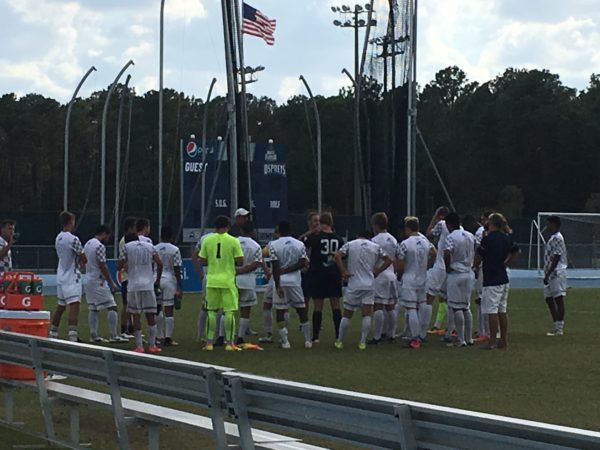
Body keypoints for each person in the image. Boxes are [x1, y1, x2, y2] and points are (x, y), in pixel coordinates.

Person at [334, 230, 392, 350]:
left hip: (354, 283)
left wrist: (343, 271)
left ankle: (339, 341)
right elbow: (388, 260)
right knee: (366, 314)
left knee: (347, 314)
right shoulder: (376, 246)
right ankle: (362, 341)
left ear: (357, 235)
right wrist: (377, 271)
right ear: (370, 237)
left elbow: (337, 255)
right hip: (369, 284)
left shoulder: (350, 244)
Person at [474, 213, 519, 350]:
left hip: (491, 278)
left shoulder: (487, 239)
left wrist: (475, 266)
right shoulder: (506, 238)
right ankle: (503, 339)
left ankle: (492, 341)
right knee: (502, 310)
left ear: (492, 223)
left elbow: (478, 257)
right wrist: (506, 263)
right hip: (503, 277)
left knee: (491, 310)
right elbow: (516, 251)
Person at [199, 216, 244, 351]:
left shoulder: (207, 240)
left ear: (215, 227)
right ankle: (229, 343)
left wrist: (213, 262)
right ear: (228, 226)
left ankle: (209, 343)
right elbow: (240, 260)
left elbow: (202, 260)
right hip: (228, 280)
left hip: (212, 280)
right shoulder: (233, 241)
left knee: (211, 312)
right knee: (229, 311)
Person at [117, 233, 163, 353]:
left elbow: (119, 265)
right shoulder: (149, 246)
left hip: (133, 286)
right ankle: (153, 345)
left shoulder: (126, 247)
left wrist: (126, 266)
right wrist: (157, 279)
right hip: (148, 284)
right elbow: (159, 263)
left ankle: (139, 346)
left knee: (135, 315)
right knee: (151, 315)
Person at [269, 220, 312, 349]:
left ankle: (285, 341)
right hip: (295, 281)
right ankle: (307, 340)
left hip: (281, 280)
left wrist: (277, 285)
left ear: (279, 230)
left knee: (280, 310)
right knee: (301, 309)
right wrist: (289, 270)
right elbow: (303, 262)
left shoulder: (273, 244)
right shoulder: (299, 244)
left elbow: (275, 266)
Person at [303, 212, 344, 344]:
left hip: (318, 274)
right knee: (336, 306)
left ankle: (315, 337)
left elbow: (301, 242)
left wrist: (311, 232)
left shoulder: (316, 237)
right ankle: (338, 335)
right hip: (333, 274)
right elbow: (342, 257)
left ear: (321, 223)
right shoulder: (338, 239)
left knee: (317, 306)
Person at [83, 225, 128, 343]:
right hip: (98, 281)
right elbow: (102, 265)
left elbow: (82, 260)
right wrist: (111, 282)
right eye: (107, 236)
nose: (107, 239)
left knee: (93, 308)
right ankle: (113, 335)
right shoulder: (99, 246)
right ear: (103, 234)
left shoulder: (88, 244)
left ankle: (93, 335)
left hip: (88, 279)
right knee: (112, 306)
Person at [396, 217, 436, 349]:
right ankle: (421, 334)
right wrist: (427, 265)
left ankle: (414, 338)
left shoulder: (405, 244)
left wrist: (400, 276)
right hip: (422, 277)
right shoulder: (426, 242)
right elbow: (434, 253)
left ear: (407, 228)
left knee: (411, 308)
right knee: (422, 305)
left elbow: (400, 264)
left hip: (409, 277)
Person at [50, 211, 87, 342]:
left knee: (60, 305)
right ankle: (72, 335)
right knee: (74, 305)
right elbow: (83, 256)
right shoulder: (73, 239)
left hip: (61, 274)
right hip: (72, 275)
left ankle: (53, 332)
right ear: (71, 222)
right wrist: (82, 261)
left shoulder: (58, 237)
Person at [443, 213, 476, 348]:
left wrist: (447, 266)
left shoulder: (451, 237)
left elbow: (446, 252)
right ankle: (469, 338)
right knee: (466, 306)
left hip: (456, 273)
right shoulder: (470, 235)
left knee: (456, 307)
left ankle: (460, 339)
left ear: (449, 224)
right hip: (468, 272)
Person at [368, 213, 399, 345]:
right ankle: (391, 334)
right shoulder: (393, 239)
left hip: (380, 274)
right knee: (391, 306)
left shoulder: (375, 241)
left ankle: (377, 336)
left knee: (378, 306)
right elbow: (397, 257)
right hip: (392, 274)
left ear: (375, 225)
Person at [425, 206, 452, 336]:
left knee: (429, 297)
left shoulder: (441, 224)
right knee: (447, 298)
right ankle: (445, 326)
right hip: (452, 268)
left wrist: (434, 219)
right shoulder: (462, 229)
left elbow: (428, 234)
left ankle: (422, 329)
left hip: (441, 265)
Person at [155, 226, 183, 347]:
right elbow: (177, 268)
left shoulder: (154, 248)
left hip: (155, 278)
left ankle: (158, 336)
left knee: (157, 309)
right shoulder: (175, 249)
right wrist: (179, 286)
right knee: (169, 309)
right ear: (171, 236)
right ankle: (168, 338)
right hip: (169, 279)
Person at [235, 221, 263, 345]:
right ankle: (240, 337)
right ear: (252, 232)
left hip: (232, 278)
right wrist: (243, 270)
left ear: (241, 230)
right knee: (245, 311)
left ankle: (222, 336)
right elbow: (256, 264)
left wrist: (236, 270)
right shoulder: (256, 246)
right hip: (247, 280)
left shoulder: (233, 242)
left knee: (227, 310)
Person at [544, 215, 568, 336]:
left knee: (558, 298)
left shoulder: (558, 238)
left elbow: (557, 256)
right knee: (548, 298)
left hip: (557, 272)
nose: (547, 226)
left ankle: (559, 328)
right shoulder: (553, 238)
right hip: (550, 273)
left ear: (554, 224)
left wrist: (548, 273)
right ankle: (555, 324)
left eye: (548, 224)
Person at [473, 212, 492, 342]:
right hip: (496, 269)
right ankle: (491, 330)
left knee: (481, 299)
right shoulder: (501, 234)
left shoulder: (481, 233)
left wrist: (475, 265)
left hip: (485, 268)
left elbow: (479, 250)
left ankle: (483, 331)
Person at [259, 227, 280, 344]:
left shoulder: (272, 244)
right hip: (289, 279)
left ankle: (268, 333)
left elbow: (260, 254)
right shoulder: (295, 243)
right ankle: (283, 334)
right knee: (284, 308)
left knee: (267, 306)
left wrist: (266, 269)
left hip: (274, 279)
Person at [118, 217, 137, 339]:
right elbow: (123, 260)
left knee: (131, 304)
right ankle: (124, 329)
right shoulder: (124, 242)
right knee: (126, 304)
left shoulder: (129, 240)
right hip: (127, 276)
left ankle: (130, 328)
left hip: (131, 276)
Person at [299, 212, 321, 306]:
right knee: (305, 298)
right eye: (315, 221)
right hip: (307, 271)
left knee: (319, 298)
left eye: (319, 221)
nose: (317, 223)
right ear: (309, 222)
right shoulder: (305, 237)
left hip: (319, 270)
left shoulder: (322, 236)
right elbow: (299, 242)